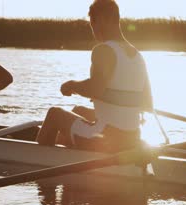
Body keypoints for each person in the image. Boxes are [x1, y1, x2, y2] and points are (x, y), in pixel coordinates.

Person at [36, 0, 153, 152]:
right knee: (79, 111)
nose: (93, 29)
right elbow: (147, 103)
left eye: (93, 23)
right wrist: (109, 97)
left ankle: (39, 159)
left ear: (103, 19)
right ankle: (66, 149)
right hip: (133, 137)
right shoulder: (138, 56)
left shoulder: (103, 49)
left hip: (106, 140)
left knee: (54, 114)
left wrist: (72, 85)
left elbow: (95, 89)